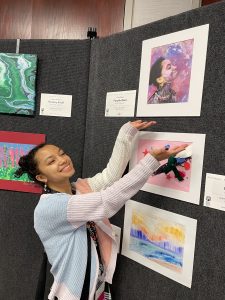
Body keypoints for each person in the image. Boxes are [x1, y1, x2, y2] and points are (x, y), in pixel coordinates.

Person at [15, 120, 187, 300]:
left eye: (61, 153)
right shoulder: (52, 207)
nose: (62, 160)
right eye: (52, 161)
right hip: (75, 294)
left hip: (97, 286)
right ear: (41, 176)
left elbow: (110, 177)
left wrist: (125, 134)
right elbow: (107, 201)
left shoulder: (78, 189)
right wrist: (151, 161)